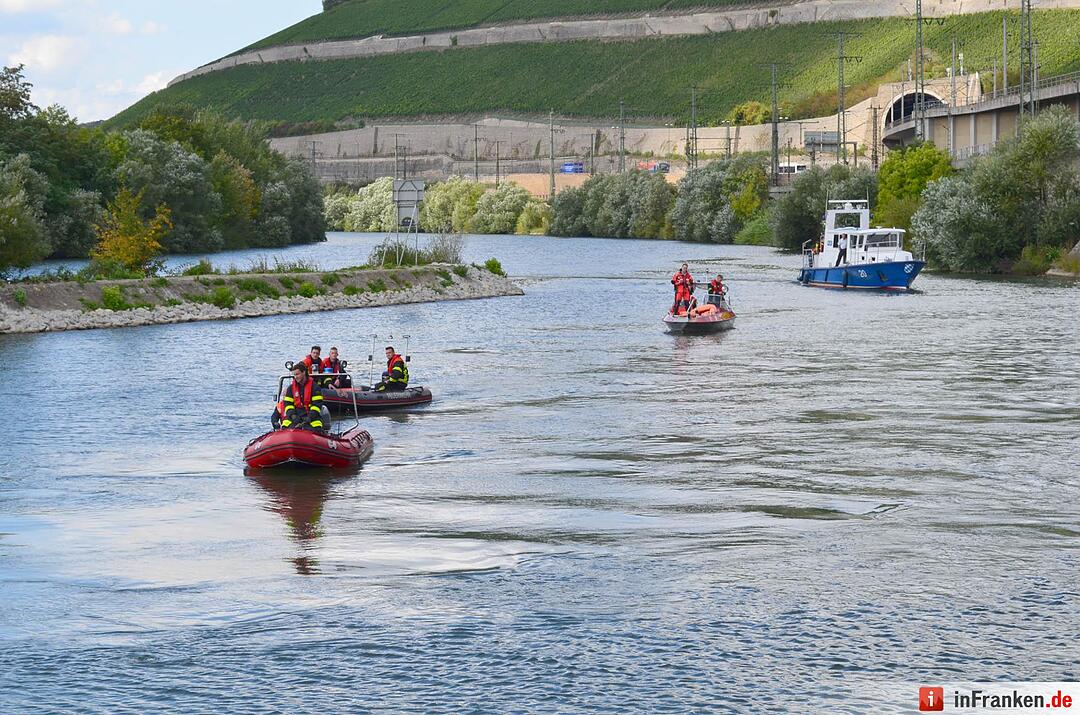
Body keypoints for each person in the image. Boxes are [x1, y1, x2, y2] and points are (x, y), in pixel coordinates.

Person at [272, 363, 327, 431]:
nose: (295, 377)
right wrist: (293, 416)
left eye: (297, 374)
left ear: (303, 372)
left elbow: (317, 405)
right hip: (295, 417)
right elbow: (288, 405)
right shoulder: (291, 389)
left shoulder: (315, 387)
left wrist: (310, 417)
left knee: (316, 428)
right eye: (294, 375)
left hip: (311, 417)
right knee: (285, 427)